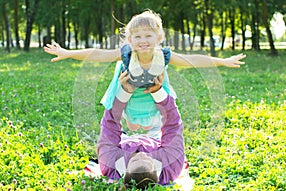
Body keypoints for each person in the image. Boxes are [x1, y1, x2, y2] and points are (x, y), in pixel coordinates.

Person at [44, 9, 246, 134]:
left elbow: (192, 60)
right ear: (130, 39)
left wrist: (223, 61)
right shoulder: (126, 53)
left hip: (152, 100)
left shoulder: (163, 55)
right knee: (129, 129)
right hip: (128, 100)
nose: (143, 41)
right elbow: (97, 54)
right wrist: (68, 53)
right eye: (138, 36)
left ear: (158, 37)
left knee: (151, 130)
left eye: (148, 35)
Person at [97, 73, 186, 189]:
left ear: (125, 172)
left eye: (135, 160)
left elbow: (110, 124)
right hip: (155, 139)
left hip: (123, 141)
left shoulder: (110, 164)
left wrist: (124, 92)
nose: (142, 154)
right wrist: (158, 92)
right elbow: (173, 125)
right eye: (149, 160)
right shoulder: (171, 166)